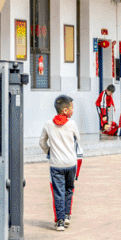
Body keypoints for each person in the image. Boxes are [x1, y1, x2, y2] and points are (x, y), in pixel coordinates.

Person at [39, 95, 83, 230]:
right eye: (72, 107)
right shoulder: (72, 124)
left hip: (55, 164)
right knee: (69, 189)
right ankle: (67, 215)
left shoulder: (48, 124)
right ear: (65, 110)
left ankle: (60, 221)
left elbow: (42, 142)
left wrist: (49, 152)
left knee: (58, 192)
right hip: (70, 163)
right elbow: (78, 139)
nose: (73, 110)